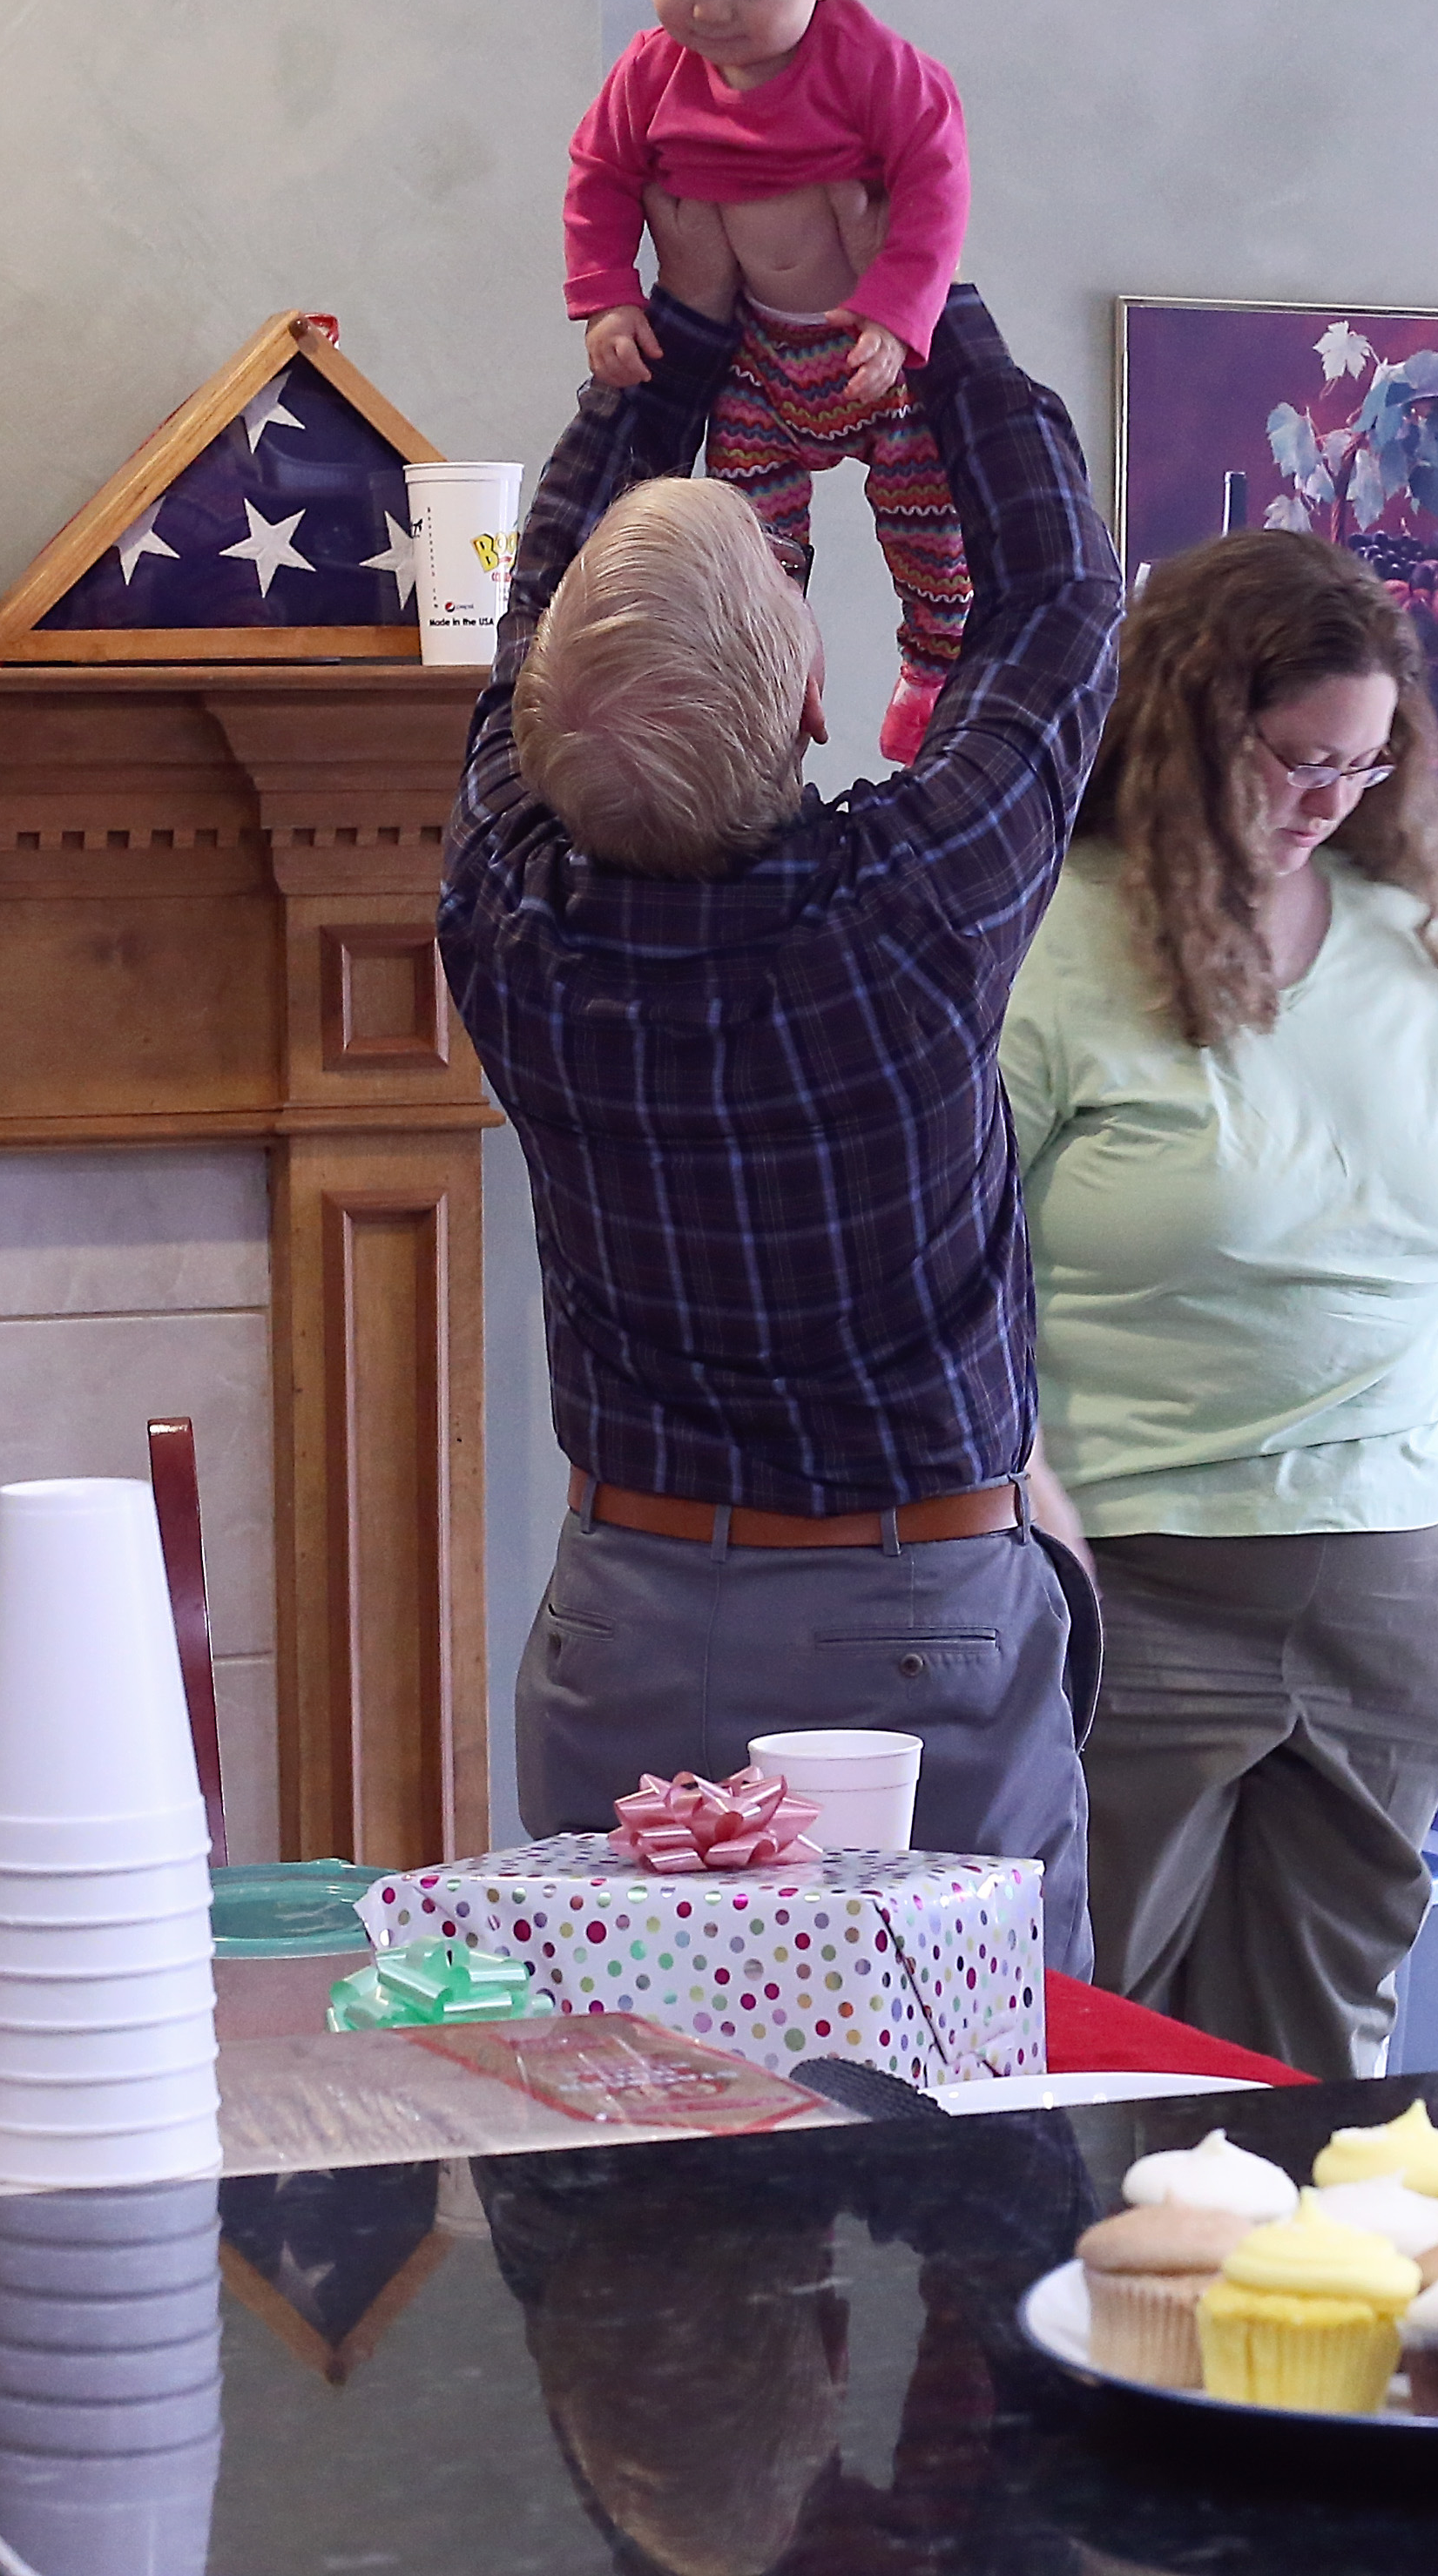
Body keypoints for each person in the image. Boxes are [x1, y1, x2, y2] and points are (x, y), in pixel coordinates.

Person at [442, 253, 1117, 1972]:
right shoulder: (913, 915)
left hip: (626, 1621)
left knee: (631, 2097)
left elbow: (529, 628)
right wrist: (918, 285)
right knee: (967, 2103)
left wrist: (673, 326)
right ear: (813, 694)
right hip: (917, 1628)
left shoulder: (506, 923)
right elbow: (1057, 607)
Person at [999, 529, 1438, 2079]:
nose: (1330, 801)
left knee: (1326, 2032)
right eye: (1293, 760)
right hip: (1133, 1566)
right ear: (1189, 731)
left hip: (1379, 1572)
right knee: (1105, 2023)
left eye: (1364, 763)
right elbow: (948, 1253)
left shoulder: (1403, 942)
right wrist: (1019, 1473)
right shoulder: (1051, 943)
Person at [566, 0, 975, 764]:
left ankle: (931, 668)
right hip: (754, 361)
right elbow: (600, 175)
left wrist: (897, 311)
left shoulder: (868, 66)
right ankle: (776, 676)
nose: (709, 10)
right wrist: (608, 296)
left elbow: (936, 174)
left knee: (927, 520)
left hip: (868, 355)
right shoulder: (652, 73)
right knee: (751, 541)